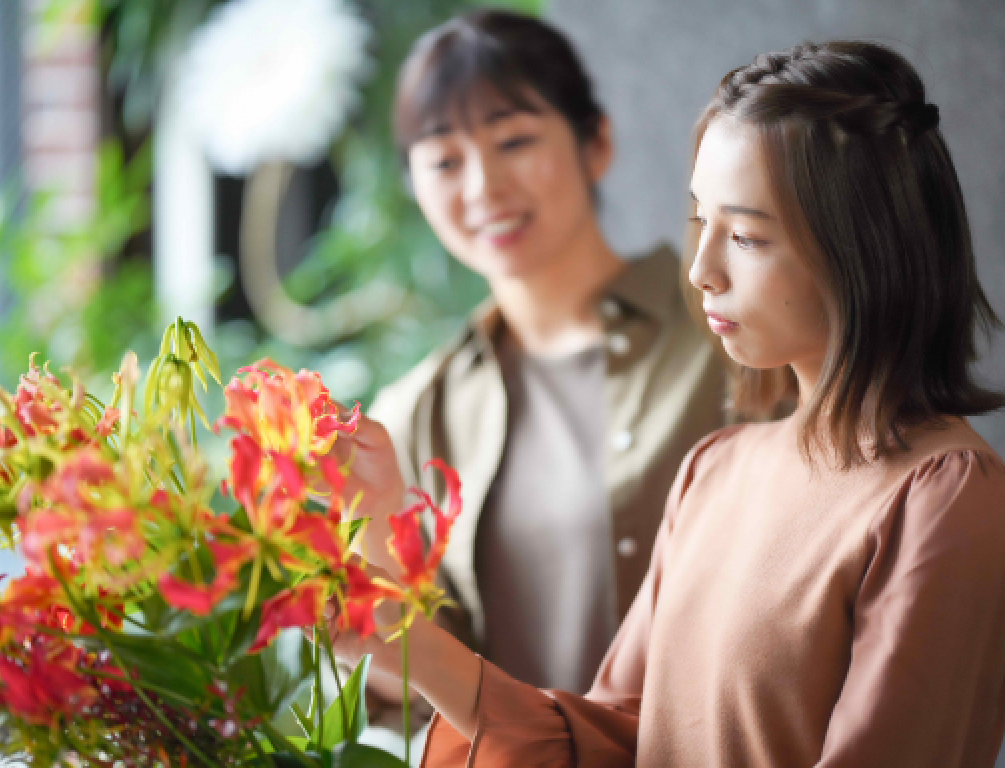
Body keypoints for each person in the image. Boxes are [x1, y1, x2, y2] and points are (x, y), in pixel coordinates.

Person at [333, 40, 1005, 767]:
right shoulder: (712, 470)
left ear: (863, 248)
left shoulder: (942, 496)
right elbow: (614, 738)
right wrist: (401, 631)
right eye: (700, 221)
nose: (701, 270)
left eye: (745, 237)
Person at [362, 7, 728, 707]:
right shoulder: (411, 416)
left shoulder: (725, 335)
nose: (483, 188)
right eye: (444, 160)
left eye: (514, 140)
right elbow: (404, 699)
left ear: (597, 142)